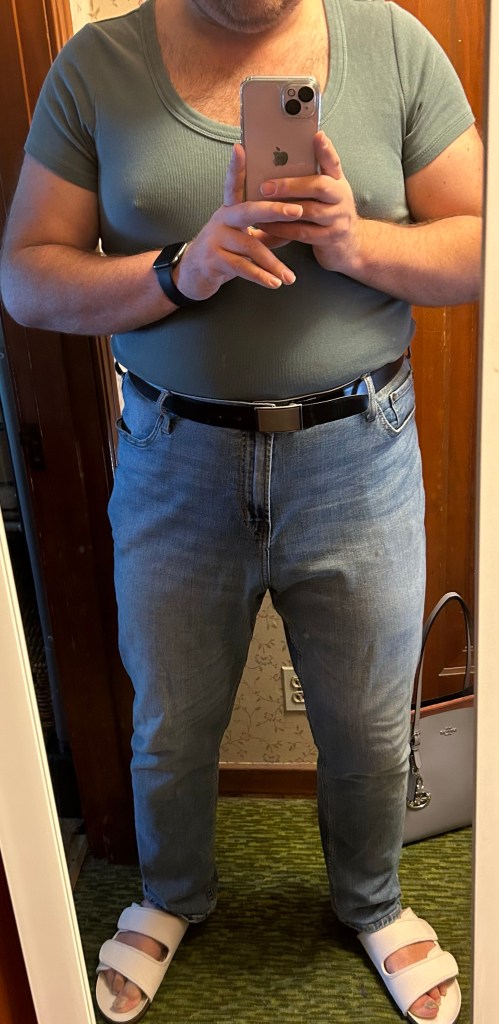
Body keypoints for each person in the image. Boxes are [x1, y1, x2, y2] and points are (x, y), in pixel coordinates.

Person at [0, 0, 482, 1021]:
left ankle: (372, 899)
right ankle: (170, 893)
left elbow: (478, 245)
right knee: (170, 719)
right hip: (173, 457)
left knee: (367, 723)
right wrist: (183, 271)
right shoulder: (96, 65)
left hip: (358, 455)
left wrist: (354, 243)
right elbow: (28, 279)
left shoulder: (394, 44)